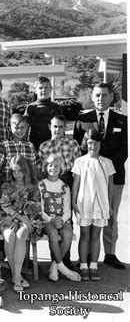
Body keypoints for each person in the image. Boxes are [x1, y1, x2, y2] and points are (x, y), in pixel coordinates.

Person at [73, 82, 127, 270]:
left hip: (114, 177)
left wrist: (106, 168)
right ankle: (87, 255)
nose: (100, 99)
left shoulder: (123, 121)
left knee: (110, 214)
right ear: (92, 97)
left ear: (111, 97)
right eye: (97, 95)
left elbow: (124, 151)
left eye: (104, 95)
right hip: (88, 177)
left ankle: (110, 254)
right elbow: (78, 148)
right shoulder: (83, 119)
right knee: (88, 213)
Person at [72, 129, 115, 281]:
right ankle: (83, 266)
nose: (93, 146)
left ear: (100, 144)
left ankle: (94, 266)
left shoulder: (107, 163)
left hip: (101, 205)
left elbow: (110, 186)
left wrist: (109, 205)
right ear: (86, 143)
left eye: (96, 143)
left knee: (96, 236)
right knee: (84, 235)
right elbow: (76, 183)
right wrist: (73, 201)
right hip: (84, 204)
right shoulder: (79, 162)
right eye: (90, 143)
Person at [0, 155, 42, 292]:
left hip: (29, 218)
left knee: (21, 234)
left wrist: (22, 220)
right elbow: (5, 205)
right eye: (14, 171)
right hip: (7, 218)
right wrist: (17, 218)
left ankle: (15, 278)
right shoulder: (6, 186)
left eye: (20, 171)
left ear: (25, 170)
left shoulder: (33, 187)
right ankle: (17, 277)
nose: (17, 174)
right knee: (10, 235)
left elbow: (34, 207)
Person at [38, 153, 80, 282]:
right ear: (46, 167)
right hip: (46, 219)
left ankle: (55, 266)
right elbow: (40, 209)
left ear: (61, 168)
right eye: (50, 165)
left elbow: (67, 209)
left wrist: (62, 219)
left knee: (68, 234)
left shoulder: (65, 187)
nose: (53, 168)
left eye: (56, 166)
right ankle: (62, 267)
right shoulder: (41, 185)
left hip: (62, 218)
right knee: (54, 235)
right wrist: (51, 220)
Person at [0, 113, 38, 191]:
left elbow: (34, 168)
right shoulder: (4, 145)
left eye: (22, 127)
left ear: (26, 128)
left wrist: (35, 187)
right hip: (8, 188)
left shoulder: (30, 146)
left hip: (26, 189)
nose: (19, 130)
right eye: (16, 128)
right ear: (10, 128)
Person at [38, 115, 81, 187]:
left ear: (65, 128)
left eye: (61, 127)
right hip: (50, 180)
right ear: (49, 127)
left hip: (69, 179)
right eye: (55, 126)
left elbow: (79, 166)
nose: (57, 129)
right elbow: (41, 169)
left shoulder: (72, 143)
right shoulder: (44, 146)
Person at [24, 76, 63, 151]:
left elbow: (62, 127)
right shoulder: (31, 108)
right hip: (35, 145)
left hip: (53, 145)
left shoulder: (56, 107)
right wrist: (25, 144)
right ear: (35, 90)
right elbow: (25, 128)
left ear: (51, 89)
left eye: (46, 87)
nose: (43, 90)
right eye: (40, 88)